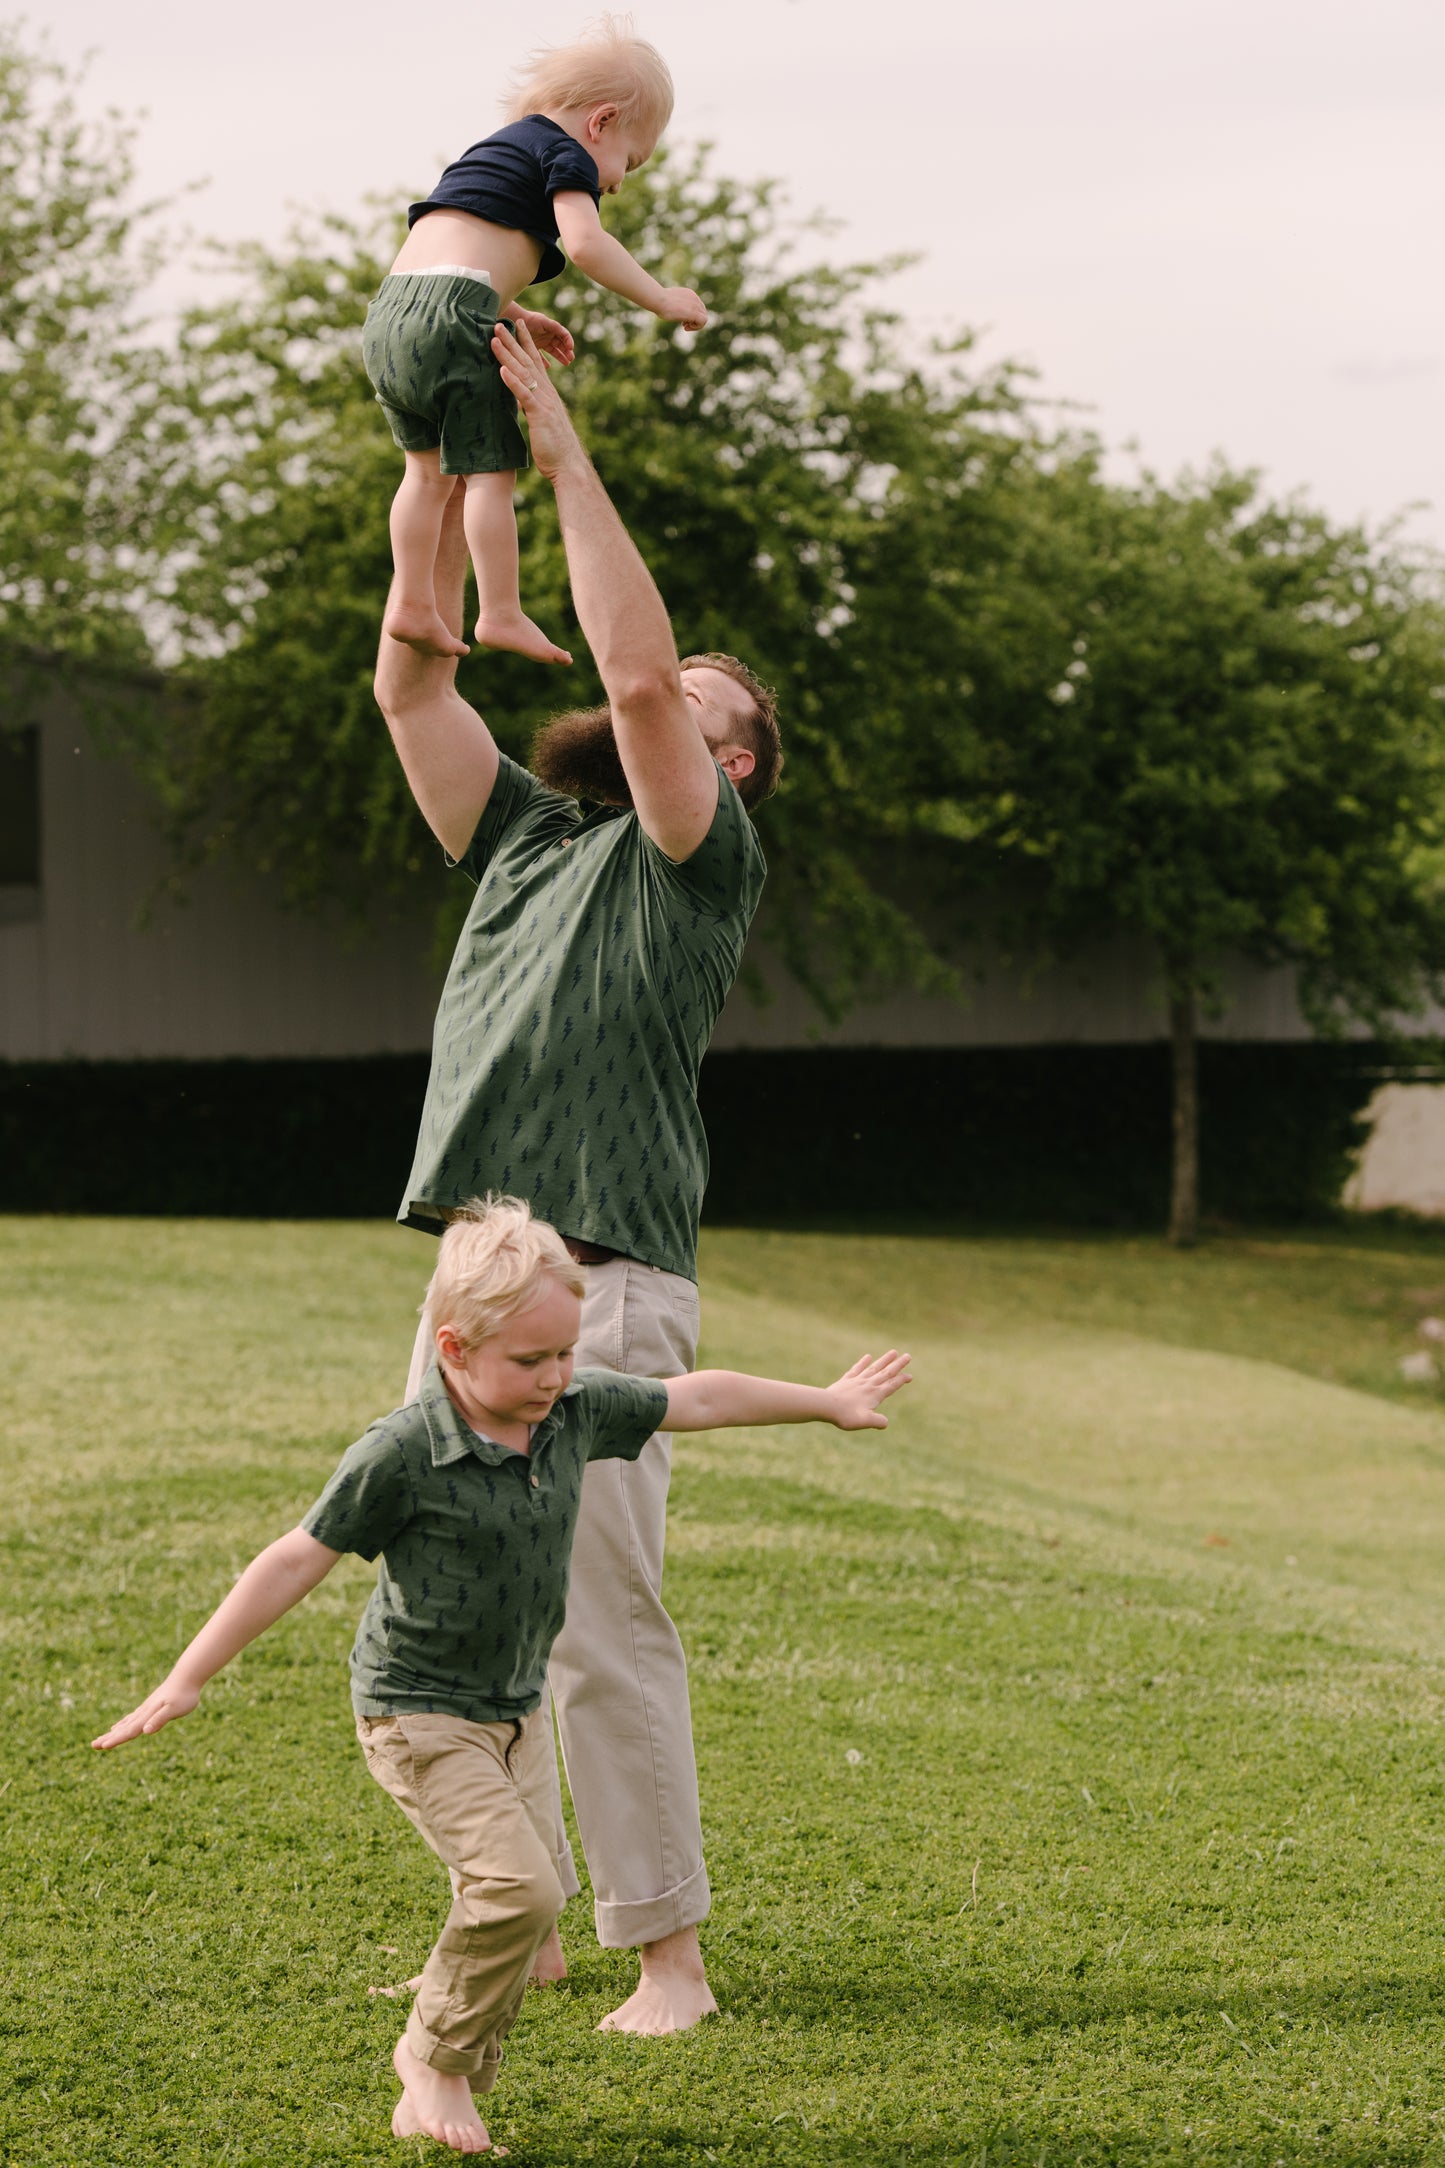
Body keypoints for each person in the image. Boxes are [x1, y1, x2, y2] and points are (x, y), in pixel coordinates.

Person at [93, 1198, 912, 2157]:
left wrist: (825, 1402)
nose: (556, 1377)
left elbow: (696, 1398)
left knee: (521, 1907)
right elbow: (294, 1558)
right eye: (530, 1362)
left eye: (565, 1353)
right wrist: (188, 1677)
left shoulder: (566, 1412)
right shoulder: (399, 1451)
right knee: (520, 1892)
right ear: (452, 1346)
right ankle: (431, 2065)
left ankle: (461, 2069)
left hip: (512, 1710)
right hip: (418, 1713)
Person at [374, 313, 782, 2034]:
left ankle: (666, 1958)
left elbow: (630, 676)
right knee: (467, 1611)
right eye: (676, 684)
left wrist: (558, 448)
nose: (667, 692)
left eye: (709, 703)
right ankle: (516, 1919)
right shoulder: (529, 839)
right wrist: (432, 446)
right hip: (473, 1282)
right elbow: (412, 675)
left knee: (600, 1623)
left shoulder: (701, 856)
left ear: (734, 760)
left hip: (603, 1277)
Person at [366, 19, 706, 665]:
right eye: (628, 163)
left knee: (424, 474)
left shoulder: (492, 149)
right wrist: (661, 297)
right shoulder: (567, 153)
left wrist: (511, 308)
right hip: (454, 313)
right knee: (489, 476)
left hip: (388, 317)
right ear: (601, 122)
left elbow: (452, 249)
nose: (617, 184)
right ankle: (500, 612)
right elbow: (584, 244)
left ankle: (411, 603)